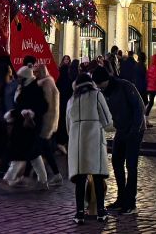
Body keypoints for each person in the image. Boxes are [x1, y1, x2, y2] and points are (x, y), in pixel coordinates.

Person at [93, 65, 145, 215]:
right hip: (121, 130)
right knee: (116, 161)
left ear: (105, 80)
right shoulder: (104, 92)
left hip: (135, 130)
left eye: (99, 84)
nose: (98, 87)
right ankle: (121, 198)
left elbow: (138, 107)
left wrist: (135, 129)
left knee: (131, 165)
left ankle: (130, 202)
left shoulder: (125, 86)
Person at [67, 71, 113, 223]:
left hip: (77, 142)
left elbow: (68, 126)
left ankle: (79, 213)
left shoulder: (71, 99)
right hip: (94, 140)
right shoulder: (97, 95)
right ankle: (101, 211)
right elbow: (107, 121)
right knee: (98, 177)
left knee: (80, 179)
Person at [2, 65, 50, 189]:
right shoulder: (24, 87)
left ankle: (10, 176)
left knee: (23, 151)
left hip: (28, 125)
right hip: (23, 124)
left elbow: (43, 106)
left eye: (20, 77)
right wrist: (15, 113)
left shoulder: (34, 89)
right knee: (32, 153)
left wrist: (30, 113)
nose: (18, 79)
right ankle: (43, 180)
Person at [32, 63, 64, 186]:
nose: (35, 74)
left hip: (45, 121)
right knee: (44, 149)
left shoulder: (46, 83)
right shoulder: (48, 82)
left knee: (39, 148)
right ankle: (54, 175)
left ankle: (42, 176)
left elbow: (45, 104)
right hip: (47, 121)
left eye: (36, 72)